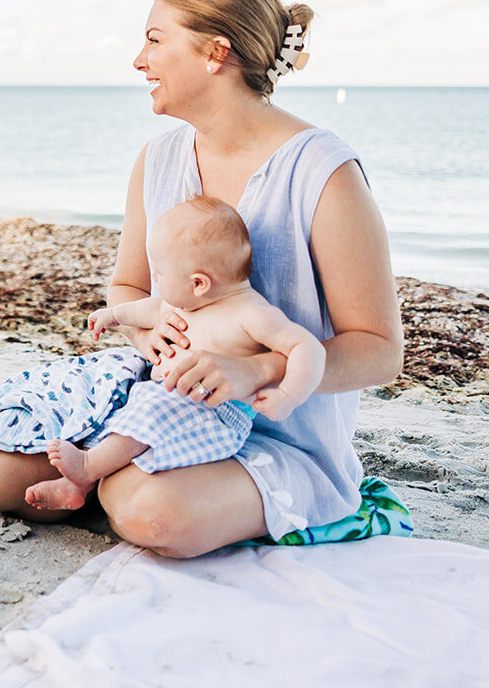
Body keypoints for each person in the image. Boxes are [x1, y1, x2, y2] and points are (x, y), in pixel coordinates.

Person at [0, 0, 403, 556]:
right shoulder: (159, 159)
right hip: (159, 411)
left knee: (152, 513)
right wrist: (147, 331)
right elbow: (126, 287)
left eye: (153, 40)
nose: (138, 61)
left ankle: (127, 489)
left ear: (214, 53)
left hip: (279, 438)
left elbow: (380, 351)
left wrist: (259, 369)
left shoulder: (325, 174)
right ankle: (118, 481)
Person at [24, 195, 326, 512]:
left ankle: (86, 468)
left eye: (160, 275)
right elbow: (148, 309)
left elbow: (306, 348)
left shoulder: (251, 314)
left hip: (214, 413)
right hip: (161, 396)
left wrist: (288, 396)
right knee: (121, 416)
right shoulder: (185, 301)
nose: (155, 280)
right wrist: (113, 315)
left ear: (198, 283)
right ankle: (78, 485)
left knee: (149, 414)